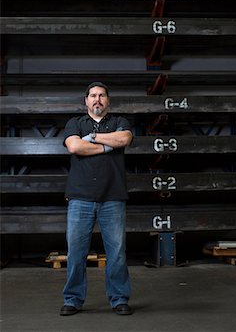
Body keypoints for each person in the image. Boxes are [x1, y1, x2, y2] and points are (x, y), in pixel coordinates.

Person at [60, 81, 133, 316]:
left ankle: (119, 298)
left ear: (108, 100)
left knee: (117, 253)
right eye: (93, 96)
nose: (97, 99)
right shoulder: (75, 123)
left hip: (113, 196)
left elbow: (123, 140)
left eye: (101, 95)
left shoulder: (120, 122)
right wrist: (106, 145)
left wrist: (91, 139)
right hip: (80, 197)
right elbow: (73, 147)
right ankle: (73, 299)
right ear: (86, 101)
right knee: (76, 252)